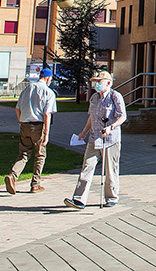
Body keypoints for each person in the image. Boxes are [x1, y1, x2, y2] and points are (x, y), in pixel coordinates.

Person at [64, 70, 126, 209]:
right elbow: (91, 116)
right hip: (94, 138)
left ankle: (111, 197)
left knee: (110, 170)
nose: (96, 84)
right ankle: (79, 199)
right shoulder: (94, 98)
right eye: (96, 82)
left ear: (108, 83)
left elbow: (122, 116)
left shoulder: (115, 96)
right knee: (87, 166)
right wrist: (84, 132)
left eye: (99, 82)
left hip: (110, 140)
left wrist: (111, 127)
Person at [5, 67, 57, 195]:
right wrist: (47, 134)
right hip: (38, 126)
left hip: (25, 124)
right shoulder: (49, 92)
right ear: (48, 78)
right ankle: (35, 184)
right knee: (40, 155)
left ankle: (13, 175)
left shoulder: (27, 88)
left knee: (23, 153)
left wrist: (21, 122)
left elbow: (17, 109)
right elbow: (46, 114)